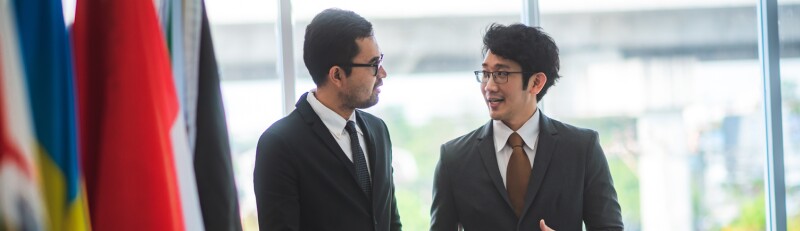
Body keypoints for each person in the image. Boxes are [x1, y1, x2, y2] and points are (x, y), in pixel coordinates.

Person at [429, 23, 623, 231]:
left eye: (501, 74)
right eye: (485, 74)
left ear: (536, 83)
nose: (489, 86)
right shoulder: (454, 158)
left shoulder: (582, 148)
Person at [254, 8, 401, 231]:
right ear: (337, 75)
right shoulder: (280, 144)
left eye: (380, 60)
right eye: (373, 64)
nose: (382, 73)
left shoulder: (378, 129)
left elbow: (391, 222)